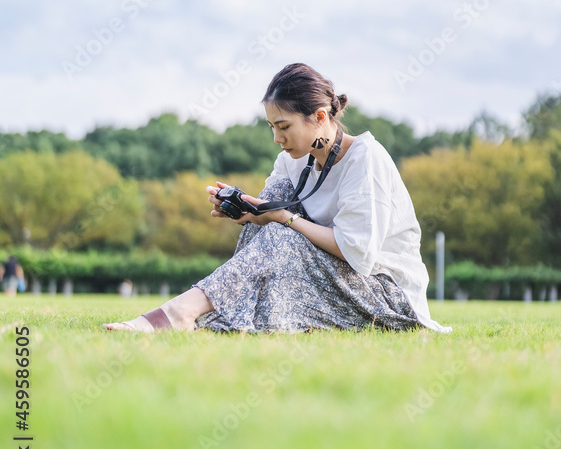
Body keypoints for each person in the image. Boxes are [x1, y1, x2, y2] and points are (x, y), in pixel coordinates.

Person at [103, 63, 452, 335]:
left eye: (284, 127)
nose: (276, 138)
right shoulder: (293, 159)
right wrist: (247, 210)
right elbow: (271, 215)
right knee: (264, 223)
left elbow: (357, 254)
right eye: (271, 127)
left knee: (280, 231)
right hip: (337, 281)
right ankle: (209, 316)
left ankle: (179, 313)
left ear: (319, 118)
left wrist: (282, 218)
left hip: (387, 296)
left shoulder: (366, 159)